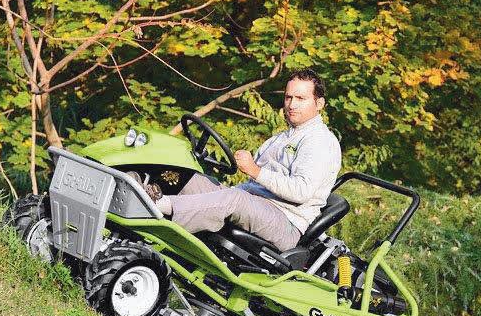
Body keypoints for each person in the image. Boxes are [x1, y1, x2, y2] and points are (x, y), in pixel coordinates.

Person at [142, 69, 342, 252]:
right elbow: (252, 186)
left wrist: (256, 171)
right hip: (254, 204)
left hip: (286, 222)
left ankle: (158, 207)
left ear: (319, 103)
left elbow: (301, 191)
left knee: (234, 199)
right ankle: (139, 189)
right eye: (288, 97)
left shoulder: (320, 140)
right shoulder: (281, 138)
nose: (292, 104)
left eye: (300, 98)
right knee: (191, 179)